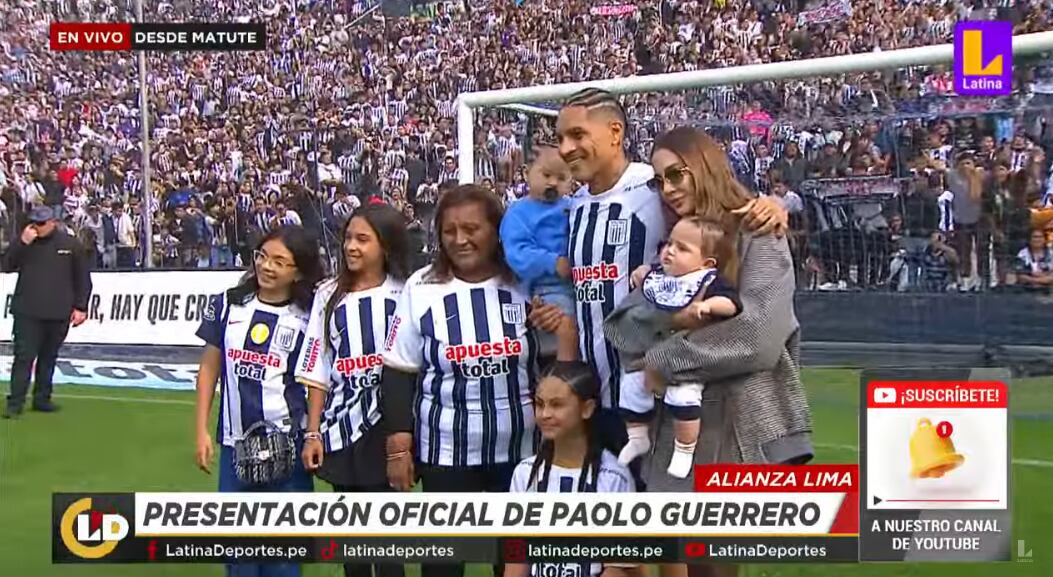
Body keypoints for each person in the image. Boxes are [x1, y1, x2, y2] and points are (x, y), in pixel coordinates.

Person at [552, 89, 785, 472]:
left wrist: (769, 207)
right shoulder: (575, 205)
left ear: (615, 132)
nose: (566, 148)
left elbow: (718, 211)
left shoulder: (649, 188)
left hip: (669, 398)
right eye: (560, 138)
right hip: (607, 399)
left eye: (577, 135)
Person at [639, 127, 811, 577]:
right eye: (659, 180)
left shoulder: (759, 232)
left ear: (706, 166)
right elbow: (631, 329)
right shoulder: (669, 245)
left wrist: (665, 357)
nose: (669, 188)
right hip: (675, 432)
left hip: (738, 428)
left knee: (712, 568)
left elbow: (759, 337)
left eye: (676, 174)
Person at [381, 184, 537, 577]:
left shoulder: (524, 282)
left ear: (496, 230)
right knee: (442, 562)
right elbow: (399, 369)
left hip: (520, 450)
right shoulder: (422, 286)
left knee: (516, 560)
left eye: (471, 228)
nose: (460, 239)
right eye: (449, 230)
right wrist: (399, 448)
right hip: (445, 450)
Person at [192, 225, 324, 577]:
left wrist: (312, 435)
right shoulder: (227, 304)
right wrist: (202, 431)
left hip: (289, 448)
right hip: (236, 447)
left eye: (280, 261)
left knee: (283, 552)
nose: (267, 266)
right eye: (263, 256)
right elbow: (208, 370)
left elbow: (315, 381)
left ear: (298, 270)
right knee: (240, 551)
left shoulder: (309, 316)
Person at [297, 205, 410, 577]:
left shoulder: (405, 293)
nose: (351, 246)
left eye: (363, 239)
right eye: (348, 237)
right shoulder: (329, 295)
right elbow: (317, 369)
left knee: (389, 543)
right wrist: (313, 432)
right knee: (353, 544)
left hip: (387, 428)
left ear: (386, 246)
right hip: (342, 431)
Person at [604, 217, 742, 478]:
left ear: (707, 263)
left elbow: (732, 304)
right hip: (650, 357)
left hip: (684, 361)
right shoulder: (660, 276)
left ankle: (684, 449)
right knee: (631, 386)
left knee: (684, 398)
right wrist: (642, 273)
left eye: (683, 248)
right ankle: (637, 436)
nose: (670, 250)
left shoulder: (708, 281)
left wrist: (709, 306)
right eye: (669, 243)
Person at [505, 315, 639, 577]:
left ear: (587, 408)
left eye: (557, 405)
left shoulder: (613, 478)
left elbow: (619, 568)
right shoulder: (525, 474)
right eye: (540, 404)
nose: (544, 414)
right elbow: (516, 561)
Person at [3, 205, 92, 418]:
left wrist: (81, 307)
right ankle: (15, 403)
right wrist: (21, 243)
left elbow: (82, 278)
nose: (37, 227)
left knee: (49, 357)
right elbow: (6, 265)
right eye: (33, 222)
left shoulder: (71, 245)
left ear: (53, 222)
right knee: (24, 358)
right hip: (28, 311)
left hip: (58, 312)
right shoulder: (25, 242)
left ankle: (42, 398)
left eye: (41, 223)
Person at [499, 144, 575, 365]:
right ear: (526, 173)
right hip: (545, 286)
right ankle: (565, 374)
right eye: (546, 175)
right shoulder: (518, 212)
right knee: (565, 324)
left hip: (579, 282)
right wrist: (552, 262)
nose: (553, 182)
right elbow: (516, 253)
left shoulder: (574, 205)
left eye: (561, 177)